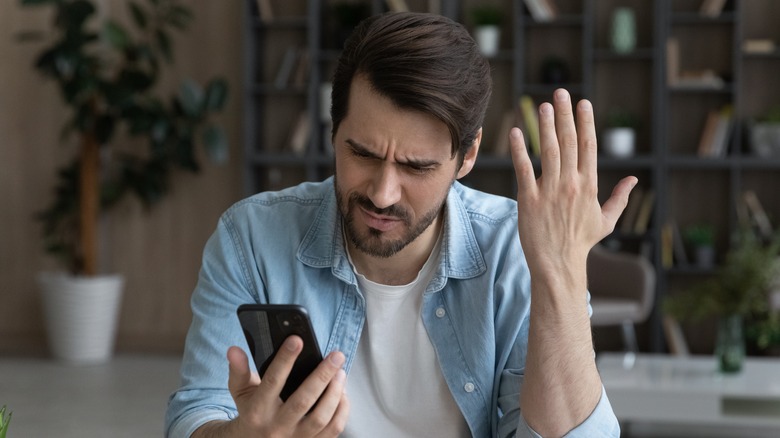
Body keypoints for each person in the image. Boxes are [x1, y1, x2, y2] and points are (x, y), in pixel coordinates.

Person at [166, 11, 634, 438]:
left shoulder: (516, 250)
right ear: (333, 132)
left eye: (417, 167)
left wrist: (562, 272)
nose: (382, 193)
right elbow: (195, 412)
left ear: (467, 156)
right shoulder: (250, 236)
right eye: (362, 154)